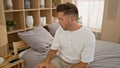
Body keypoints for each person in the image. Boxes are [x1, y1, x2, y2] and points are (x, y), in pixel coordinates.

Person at [36, 2, 96, 68]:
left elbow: (84, 63)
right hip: (60, 60)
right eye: (58, 19)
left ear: (72, 19)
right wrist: (46, 60)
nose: (58, 22)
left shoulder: (89, 36)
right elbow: (53, 50)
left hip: (77, 64)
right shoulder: (60, 29)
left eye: (61, 19)